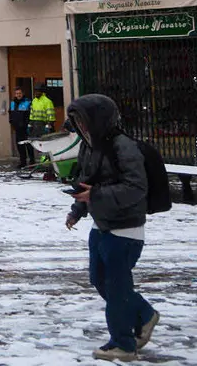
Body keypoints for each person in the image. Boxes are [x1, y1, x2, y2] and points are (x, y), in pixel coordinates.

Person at [65, 94, 159, 362]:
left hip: (125, 229)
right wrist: (78, 210)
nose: (80, 127)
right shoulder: (90, 145)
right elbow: (87, 181)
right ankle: (144, 314)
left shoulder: (123, 147)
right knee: (99, 280)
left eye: (82, 120)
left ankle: (124, 343)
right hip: (101, 224)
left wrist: (94, 197)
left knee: (117, 288)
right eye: (76, 121)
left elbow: (136, 188)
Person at [8, 87, 33, 168]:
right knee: (20, 146)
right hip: (17, 128)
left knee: (28, 145)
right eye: (16, 93)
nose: (18, 95)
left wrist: (27, 124)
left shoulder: (28, 102)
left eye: (19, 93)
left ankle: (32, 162)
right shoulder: (12, 103)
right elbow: (10, 113)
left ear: (23, 94)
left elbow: (30, 114)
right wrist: (11, 121)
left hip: (26, 128)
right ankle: (23, 162)